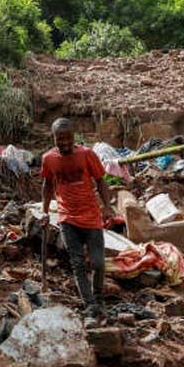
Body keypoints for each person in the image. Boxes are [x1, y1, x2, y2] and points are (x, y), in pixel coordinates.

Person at [40, 118, 115, 319]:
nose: (64, 143)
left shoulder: (87, 155)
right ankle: (89, 304)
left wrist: (107, 207)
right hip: (67, 219)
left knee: (98, 263)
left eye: (68, 138)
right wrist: (45, 211)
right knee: (78, 263)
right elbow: (47, 185)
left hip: (91, 217)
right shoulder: (48, 158)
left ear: (74, 137)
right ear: (53, 138)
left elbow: (100, 181)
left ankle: (98, 298)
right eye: (59, 139)